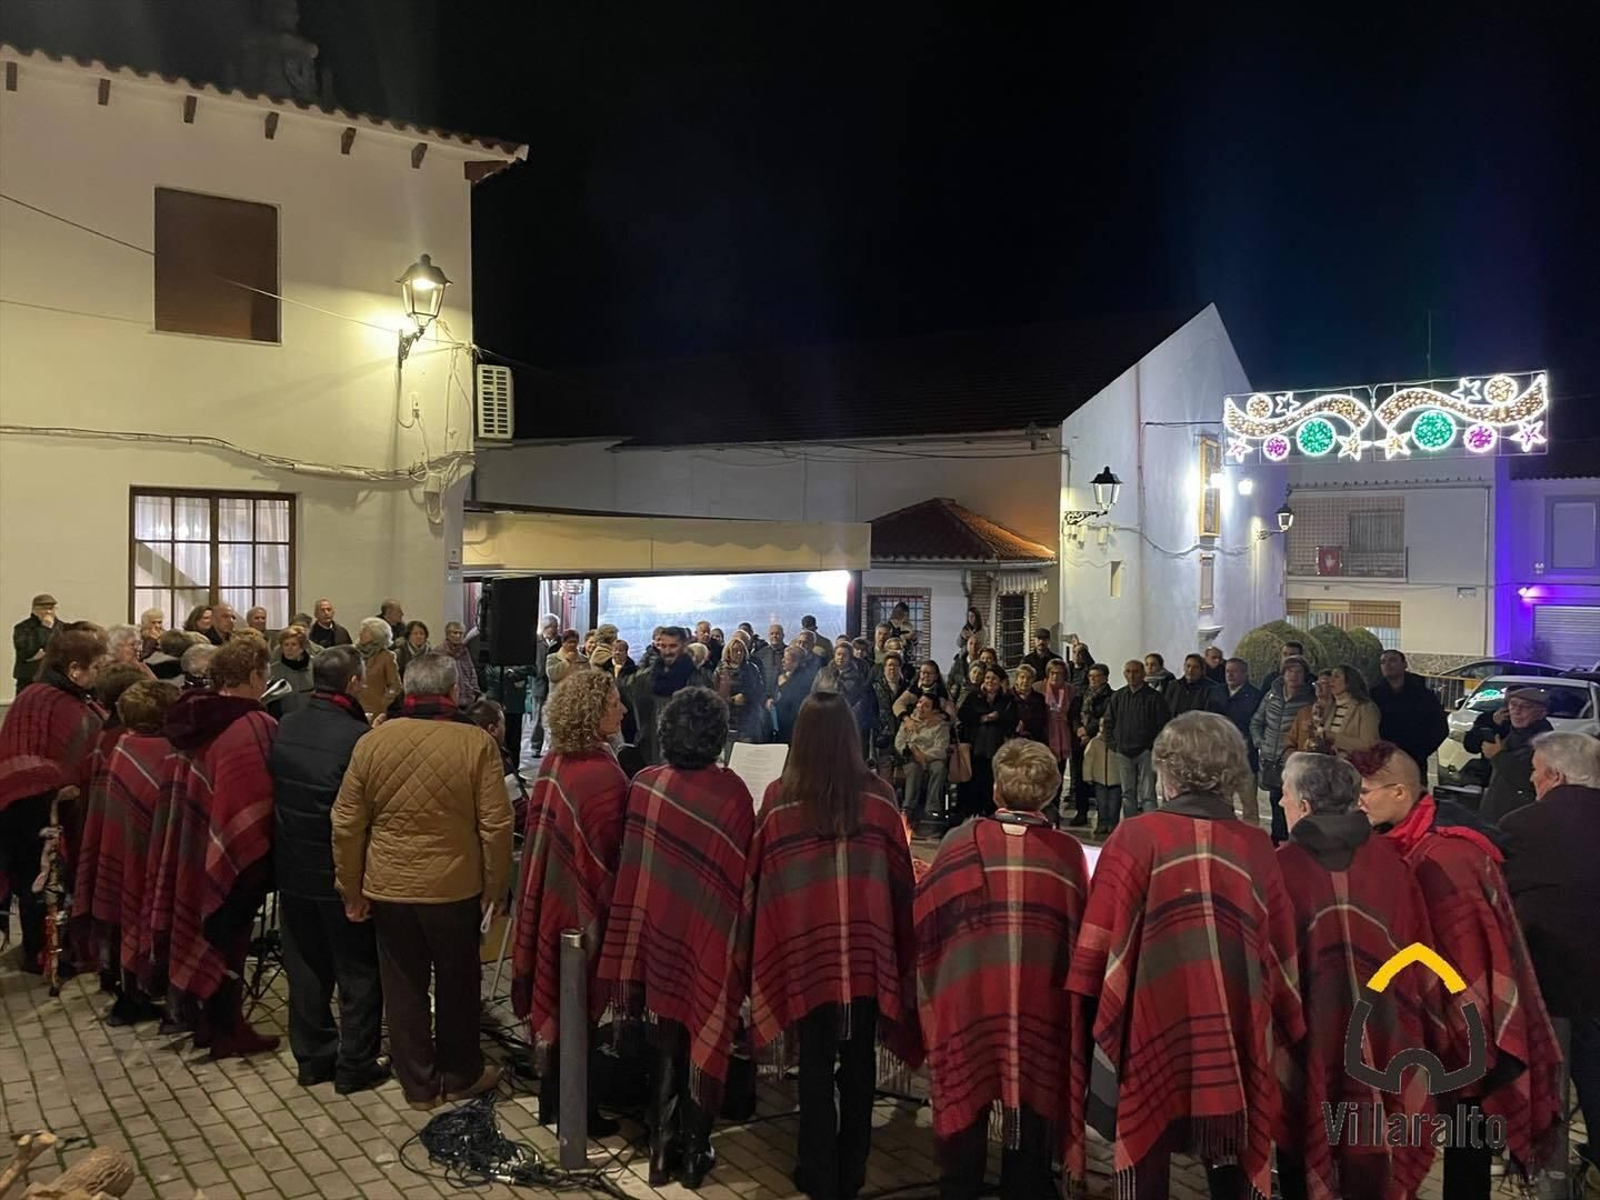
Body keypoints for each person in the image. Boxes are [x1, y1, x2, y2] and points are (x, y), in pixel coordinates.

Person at [1067, 712, 1304, 1200]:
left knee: (1145, 1132)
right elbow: (1277, 955)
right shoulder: (1257, 846)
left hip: (1150, 1020)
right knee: (1234, 1141)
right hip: (1232, 1026)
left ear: (1167, 770)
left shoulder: (1135, 836)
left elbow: (1098, 948)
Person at [1352, 741, 1564, 1193]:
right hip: (1424, 1011)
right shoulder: (1401, 843)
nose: (1359, 800)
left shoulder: (1450, 855)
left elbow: (1471, 947)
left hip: (1467, 1018)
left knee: (1471, 1118)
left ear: (1400, 792)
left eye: (1366, 790)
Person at [740, 693, 922, 1200]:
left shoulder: (779, 797)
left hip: (804, 955)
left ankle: (816, 1172)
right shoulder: (882, 797)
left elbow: (758, 886)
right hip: (867, 954)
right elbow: (902, 883)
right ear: (849, 737)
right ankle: (854, 1168)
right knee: (859, 1060)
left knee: (815, 1063)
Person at [333, 652, 512, 1111]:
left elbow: (347, 823)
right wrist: (494, 890)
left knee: (403, 984)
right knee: (458, 981)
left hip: (389, 885)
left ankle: (418, 1086)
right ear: (453, 692)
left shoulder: (372, 743)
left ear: (406, 691)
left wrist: (350, 888)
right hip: (454, 886)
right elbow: (495, 826)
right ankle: (460, 1074)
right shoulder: (476, 744)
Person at [916, 737, 1088, 1199]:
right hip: (1040, 1001)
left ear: (995, 790)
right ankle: (1027, 1184)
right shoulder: (1068, 853)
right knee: (1033, 1102)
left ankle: (959, 1186)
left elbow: (926, 919)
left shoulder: (958, 842)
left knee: (964, 1103)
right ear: (1050, 793)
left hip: (969, 996)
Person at [596, 688, 755, 1187]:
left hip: (658, 934)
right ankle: (694, 1154)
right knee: (708, 1030)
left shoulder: (645, 783)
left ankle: (662, 1151)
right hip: (709, 936)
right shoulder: (732, 794)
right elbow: (743, 874)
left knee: (667, 1037)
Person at [1274, 753, 1436, 1200]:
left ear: (1304, 807)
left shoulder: (1281, 869)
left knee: (1301, 1138)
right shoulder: (1392, 863)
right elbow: (1418, 959)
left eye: (1285, 795)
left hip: (1308, 1038)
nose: (1281, 803)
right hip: (1385, 1038)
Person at [268, 646, 388, 1094]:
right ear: (354, 683)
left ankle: (313, 1059)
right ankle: (356, 1064)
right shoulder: (357, 737)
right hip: (339, 873)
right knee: (357, 969)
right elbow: (359, 816)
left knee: (306, 968)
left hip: (292, 867)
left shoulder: (287, 723)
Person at [512, 670, 629, 1127]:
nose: (621, 709)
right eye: (614, 702)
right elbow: (612, 854)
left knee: (557, 992)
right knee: (579, 1004)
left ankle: (550, 1102)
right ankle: (580, 1112)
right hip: (582, 907)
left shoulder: (556, 762)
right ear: (594, 712)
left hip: (551, 900)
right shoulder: (603, 775)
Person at [158, 634, 279, 1059]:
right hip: (237, 851)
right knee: (232, 937)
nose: (266, 683)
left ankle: (205, 1021)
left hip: (198, 841)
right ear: (251, 676)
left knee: (205, 929)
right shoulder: (253, 724)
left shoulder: (192, 717)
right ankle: (229, 1028)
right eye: (264, 674)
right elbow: (261, 795)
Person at [1501, 731, 1600, 1179]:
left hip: (1551, 977)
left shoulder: (1521, 825)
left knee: (1549, 1071)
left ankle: (1539, 1159)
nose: (1533, 782)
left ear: (1555, 776)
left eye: (1535, 774)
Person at [0, 623, 106, 972]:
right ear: (75, 669)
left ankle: (61, 947)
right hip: (35, 812)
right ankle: (40, 954)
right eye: (97, 666)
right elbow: (20, 759)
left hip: (67, 810)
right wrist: (57, 785)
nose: (100, 673)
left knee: (62, 888)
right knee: (40, 887)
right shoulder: (37, 698)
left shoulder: (77, 698)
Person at [98, 680, 174, 1019]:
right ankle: (143, 990)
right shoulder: (164, 754)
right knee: (146, 911)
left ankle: (129, 990)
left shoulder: (124, 745)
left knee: (127, 912)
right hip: (153, 855)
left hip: (124, 849)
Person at [1251, 655, 1313, 843]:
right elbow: (1257, 721)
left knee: (1295, 803)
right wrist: (1261, 743)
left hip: (1293, 760)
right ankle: (1277, 841)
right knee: (1276, 801)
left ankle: (1294, 842)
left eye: (1298, 672)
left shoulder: (1310, 700)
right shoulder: (1271, 696)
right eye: (1289, 671)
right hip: (1270, 759)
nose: (1293, 675)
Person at [1101, 658, 1170, 818]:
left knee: (1148, 794)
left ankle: (1150, 827)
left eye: (1136, 671)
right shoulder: (1118, 696)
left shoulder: (1154, 697)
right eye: (1128, 672)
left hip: (1146, 753)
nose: (1132, 675)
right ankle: (1130, 828)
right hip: (1123, 752)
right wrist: (1114, 745)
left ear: (1143, 674)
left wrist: (1152, 747)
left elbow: (1163, 725)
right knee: (1127, 793)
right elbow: (1108, 722)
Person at [632, 626, 709, 763]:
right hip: (651, 750)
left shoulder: (697, 680)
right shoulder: (646, 678)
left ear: (685, 646)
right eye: (663, 646)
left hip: (684, 752)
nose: (667, 651)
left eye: (673, 646)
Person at [1478, 687, 1554, 824]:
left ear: (1541, 713)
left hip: (1519, 819)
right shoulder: (1514, 733)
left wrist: (1498, 756)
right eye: (1513, 705)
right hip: (1499, 816)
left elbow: (1528, 778)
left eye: (1526, 707)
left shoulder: (1544, 741)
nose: (1517, 711)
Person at [1371, 649, 1447, 782]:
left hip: (1414, 760)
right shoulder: (1374, 695)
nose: (1387, 665)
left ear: (1404, 664)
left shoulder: (1423, 695)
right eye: (1383, 662)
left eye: (1392, 660)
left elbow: (1440, 727)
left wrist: (1421, 751)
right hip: (1383, 761)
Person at [955, 666, 1016, 822]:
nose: (990, 681)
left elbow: (1012, 720)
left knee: (992, 780)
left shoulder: (1007, 699)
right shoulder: (974, 696)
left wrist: (997, 718)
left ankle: (990, 811)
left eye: (994, 679)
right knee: (974, 780)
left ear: (1001, 682)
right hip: (975, 746)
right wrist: (982, 718)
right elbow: (963, 715)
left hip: (996, 747)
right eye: (988, 678)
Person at [812, 642, 878, 758]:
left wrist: (849, 715)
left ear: (850, 657)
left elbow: (862, 700)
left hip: (847, 722)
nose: (840, 658)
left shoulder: (858, 677)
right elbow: (813, 694)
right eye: (838, 654)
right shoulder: (823, 673)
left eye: (844, 655)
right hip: (824, 720)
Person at [1077, 663, 1120, 835]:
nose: (1093, 679)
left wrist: (1088, 731)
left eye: (1097, 676)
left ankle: (1112, 822)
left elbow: (1105, 717)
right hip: (1081, 738)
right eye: (1090, 676)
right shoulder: (1082, 694)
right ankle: (1085, 814)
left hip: (1098, 738)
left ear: (1105, 678)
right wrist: (1079, 730)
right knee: (1081, 778)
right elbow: (1076, 712)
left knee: (1112, 798)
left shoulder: (1111, 696)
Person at [1220, 657, 1263, 823]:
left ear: (1245, 674)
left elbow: (1258, 724)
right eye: (1227, 671)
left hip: (1246, 760)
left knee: (1249, 805)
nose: (1230, 675)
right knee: (1222, 803)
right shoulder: (1216, 692)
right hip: (1222, 759)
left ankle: (1251, 840)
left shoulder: (1255, 696)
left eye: (1234, 671)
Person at [1038, 659, 1081, 824]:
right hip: (1045, 738)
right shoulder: (1039, 688)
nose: (1056, 676)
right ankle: (1042, 811)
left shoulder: (1070, 691)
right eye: (1053, 673)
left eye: (1060, 674)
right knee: (1043, 778)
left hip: (1063, 737)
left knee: (1058, 777)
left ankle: (1054, 812)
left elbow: (1073, 715)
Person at [895, 693, 950, 821]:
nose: (920, 707)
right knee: (914, 768)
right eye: (919, 703)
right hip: (911, 755)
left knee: (939, 768)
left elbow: (941, 748)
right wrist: (910, 752)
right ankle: (908, 807)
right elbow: (899, 742)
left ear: (934, 710)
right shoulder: (909, 721)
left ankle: (932, 809)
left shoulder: (940, 725)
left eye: (926, 706)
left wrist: (924, 756)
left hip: (931, 757)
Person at [714, 634, 766, 748]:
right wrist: (731, 700)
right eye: (735, 651)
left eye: (741, 651)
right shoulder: (720, 671)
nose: (739, 654)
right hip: (728, 720)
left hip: (748, 719)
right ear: (728, 652)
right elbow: (714, 696)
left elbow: (760, 690)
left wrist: (747, 697)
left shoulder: (752, 668)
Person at [351, 617, 402, 718]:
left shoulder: (386, 656)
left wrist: (384, 701)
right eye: (361, 630)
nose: (360, 633)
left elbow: (396, 685)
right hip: (353, 705)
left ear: (376, 635)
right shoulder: (351, 652)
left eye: (365, 631)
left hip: (375, 709)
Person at [265, 624, 315, 717]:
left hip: (310, 717)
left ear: (302, 647)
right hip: (284, 719)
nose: (289, 648)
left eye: (293, 644)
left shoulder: (315, 666)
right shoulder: (273, 671)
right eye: (286, 644)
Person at [528, 615, 560, 759]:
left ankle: (554, 746)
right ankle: (536, 746)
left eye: (555, 627)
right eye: (550, 627)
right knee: (538, 717)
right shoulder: (536, 642)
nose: (553, 630)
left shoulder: (560, 642)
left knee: (555, 716)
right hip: (539, 684)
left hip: (555, 685)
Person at [770, 644, 810, 745]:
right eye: (783, 657)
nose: (783, 661)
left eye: (787, 659)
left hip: (791, 726)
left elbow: (794, 702)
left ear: (797, 662)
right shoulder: (779, 674)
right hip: (777, 723)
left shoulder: (803, 680)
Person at [1166, 653, 1225, 717]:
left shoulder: (1212, 688)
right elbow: (1165, 709)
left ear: (1201, 670)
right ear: (1184, 667)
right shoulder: (1174, 685)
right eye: (1188, 666)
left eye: (1195, 667)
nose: (1190, 670)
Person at [439, 622, 480, 708]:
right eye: (455, 633)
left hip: (468, 697)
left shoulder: (464, 651)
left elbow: (471, 670)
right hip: (449, 698)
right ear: (447, 634)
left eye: (460, 633)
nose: (458, 636)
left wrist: (475, 690)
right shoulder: (439, 652)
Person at [1011, 664, 1048, 742]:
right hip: (1013, 740)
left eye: (1029, 678)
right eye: (1022, 677)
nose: (1025, 681)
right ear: (1016, 679)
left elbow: (1043, 720)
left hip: (1035, 740)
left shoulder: (1039, 699)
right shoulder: (1008, 698)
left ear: (1033, 680)